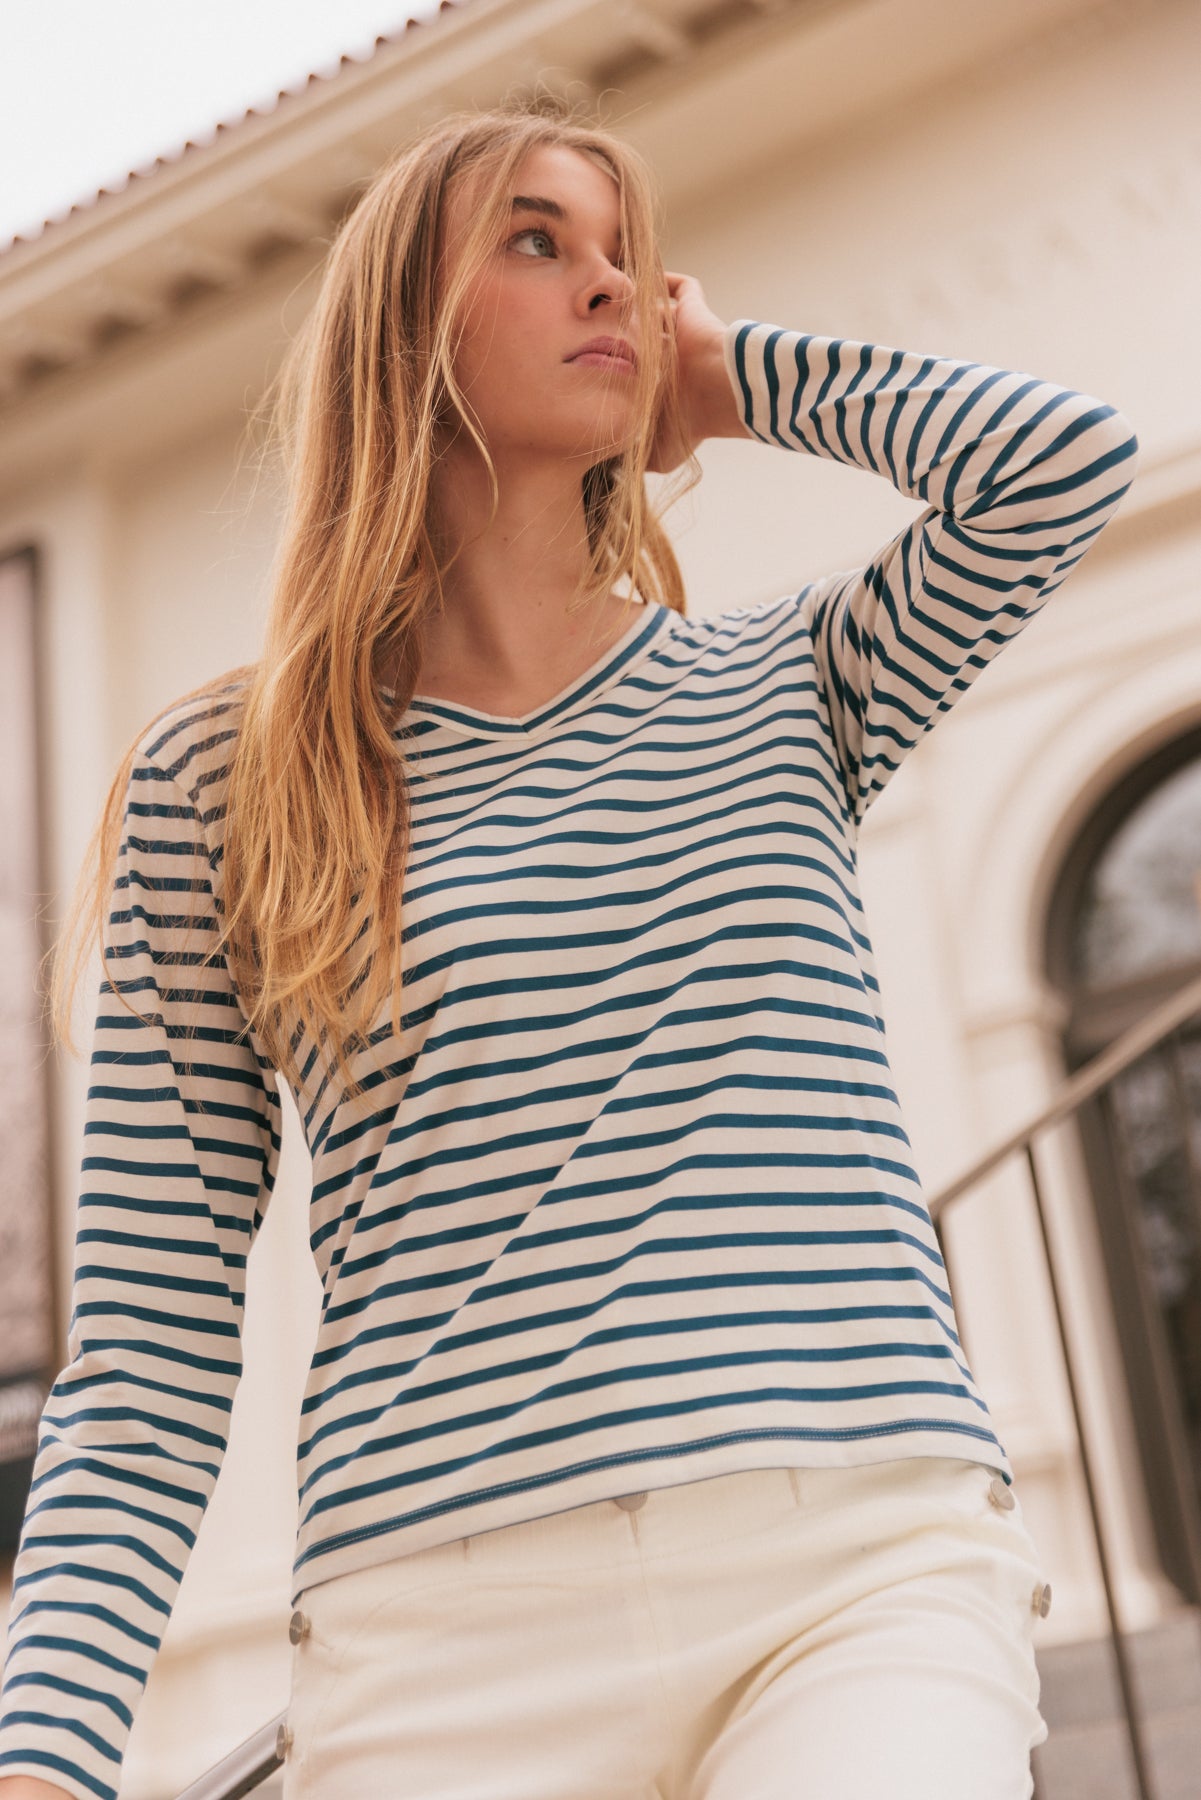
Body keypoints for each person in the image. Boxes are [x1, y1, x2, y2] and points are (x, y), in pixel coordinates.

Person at [0, 95, 1139, 1800]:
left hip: (851, 1566)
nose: (613, 288)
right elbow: (152, 1358)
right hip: (435, 1634)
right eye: (537, 242)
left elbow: (1061, 467)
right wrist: (45, 1760)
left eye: (630, 257)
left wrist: (733, 371)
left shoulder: (788, 688)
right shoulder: (224, 788)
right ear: (403, 326)